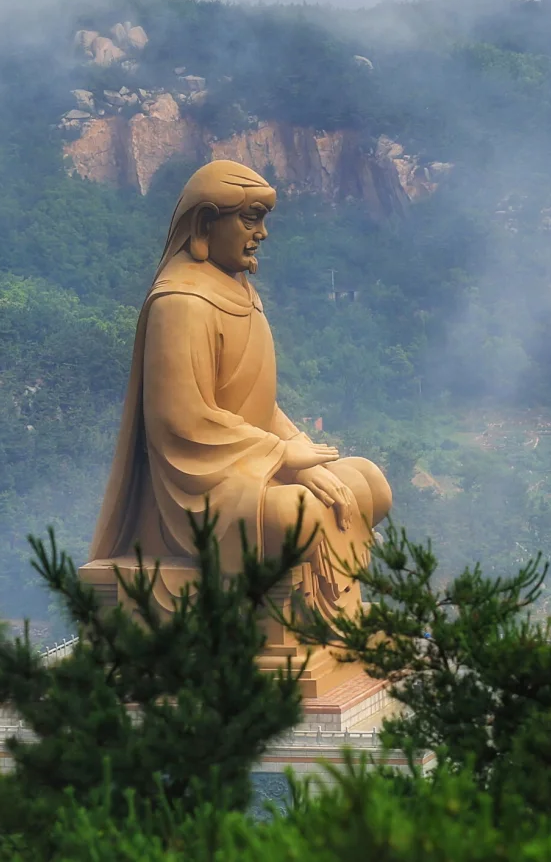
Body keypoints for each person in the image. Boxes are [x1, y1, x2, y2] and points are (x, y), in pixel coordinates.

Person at [87, 160, 391, 623]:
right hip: (201, 490)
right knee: (300, 514)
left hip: (250, 463)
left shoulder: (240, 292)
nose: (262, 233)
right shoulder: (181, 302)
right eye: (250, 219)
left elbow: (258, 404)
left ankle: (325, 607)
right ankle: (296, 614)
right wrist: (281, 457)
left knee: (369, 482)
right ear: (206, 222)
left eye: (263, 219)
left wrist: (298, 448)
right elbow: (182, 421)